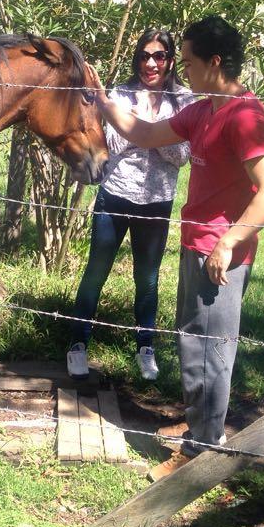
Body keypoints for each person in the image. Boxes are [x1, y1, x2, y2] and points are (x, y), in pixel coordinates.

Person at [90, 15, 264, 481]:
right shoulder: (203, 110)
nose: (184, 70)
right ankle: (202, 431)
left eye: (191, 62)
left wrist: (229, 242)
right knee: (192, 344)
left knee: (211, 352)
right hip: (195, 246)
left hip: (220, 257)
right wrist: (102, 102)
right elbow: (145, 133)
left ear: (215, 63)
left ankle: (202, 453)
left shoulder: (245, 116)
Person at [66, 29, 193, 382]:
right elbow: (112, 146)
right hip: (115, 195)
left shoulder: (185, 100)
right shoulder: (119, 95)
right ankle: (78, 343)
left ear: (169, 60)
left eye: (159, 56)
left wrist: (142, 128)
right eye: (144, 56)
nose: (150, 63)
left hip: (157, 201)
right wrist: (157, 132)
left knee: (147, 279)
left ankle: (146, 346)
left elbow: (182, 155)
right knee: (96, 271)